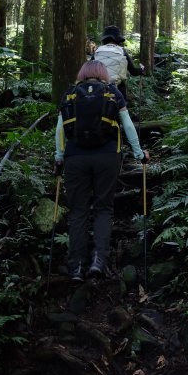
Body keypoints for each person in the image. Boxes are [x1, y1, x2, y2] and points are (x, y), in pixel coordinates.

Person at [55, 60, 149, 283]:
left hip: (75, 157)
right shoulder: (113, 92)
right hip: (108, 156)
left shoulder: (69, 93)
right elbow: (126, 124)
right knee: (103, 208)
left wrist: (59, 156)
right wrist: (139, 153)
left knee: (78, 211)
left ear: (83, 74)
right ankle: (99, 260)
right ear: (102, 74)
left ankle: (76, 266)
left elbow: (60, 128)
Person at [93, 25, 144, 101]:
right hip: (117, 89)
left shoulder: (97, 51)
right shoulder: (121, 51)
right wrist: (141, 70)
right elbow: (133, 72)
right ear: (118, 39)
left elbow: (88, 69)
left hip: (98, 89)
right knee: (120, 108)